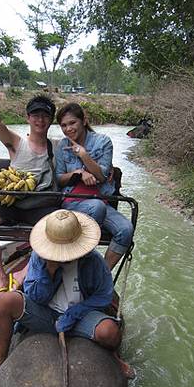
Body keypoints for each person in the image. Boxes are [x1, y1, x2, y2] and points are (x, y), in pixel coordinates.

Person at [0, 209, 134, 384]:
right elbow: (35, 296)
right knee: (5, 301)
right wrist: (49, 271)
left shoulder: (94, 261)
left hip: (81, 317)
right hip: (44, 313)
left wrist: (74, 314)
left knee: (110, 332)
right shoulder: (39, 258)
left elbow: (103, 295)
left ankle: (113, 357)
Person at [0, 69, 57, 298]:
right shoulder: (16, 143)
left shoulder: (57, 147)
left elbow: (79, 143)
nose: (40, 120)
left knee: (56, 230)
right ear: (28, 118)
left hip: (40, 204)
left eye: (45, 116)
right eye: (36, 115)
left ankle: (26, 274)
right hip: (11, 201)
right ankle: (0, 277)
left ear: (50, 120)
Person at [54, 102, 134, 270]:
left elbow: (102, 176)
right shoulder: (62, 146)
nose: (68, 129)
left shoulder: (103, 142)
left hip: (101, 201)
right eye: (64, 125)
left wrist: (83, 155)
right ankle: (77, 266)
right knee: (96, 207)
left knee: (126, 230)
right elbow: (59, 178)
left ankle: (102, 274)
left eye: (72, 123)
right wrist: (78, 173)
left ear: (84, 121)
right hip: (73, 201)